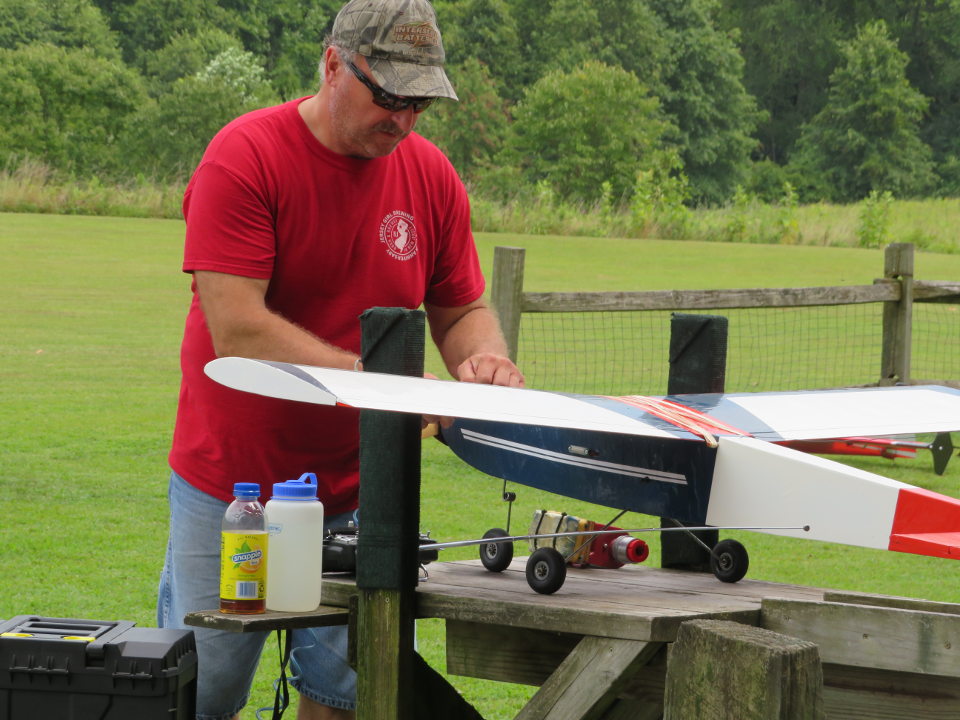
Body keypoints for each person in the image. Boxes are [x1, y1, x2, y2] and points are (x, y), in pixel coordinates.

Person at [156, 0, 524, 718]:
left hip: (362, 495)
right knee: (201, 690)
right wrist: (384, 385)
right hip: (234, 491)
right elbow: (238, 329)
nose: (404, 118)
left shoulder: (431, 176)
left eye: (419, 101)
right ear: (331, 64)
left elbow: (463, 309)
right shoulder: (245, 155)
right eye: (387, 95)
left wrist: (485, 362)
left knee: (354, 690)